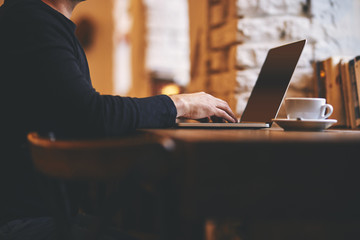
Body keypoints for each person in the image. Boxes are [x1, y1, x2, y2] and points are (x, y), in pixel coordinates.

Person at [0, 0, 237, 239]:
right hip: (24, 223)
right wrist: (181, 104)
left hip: (45, 215)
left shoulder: (35, 20)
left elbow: (79, 116)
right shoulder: (30, 21)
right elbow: (91, 115)